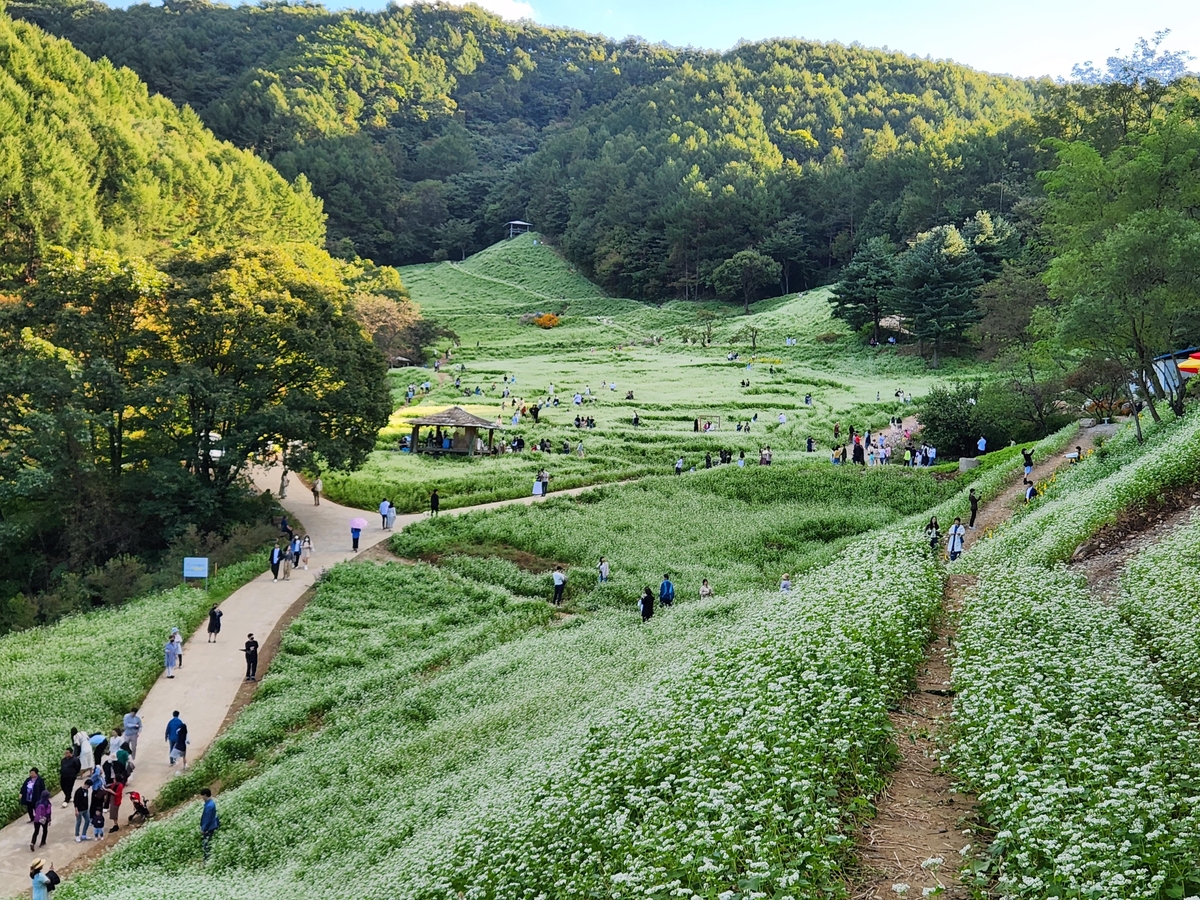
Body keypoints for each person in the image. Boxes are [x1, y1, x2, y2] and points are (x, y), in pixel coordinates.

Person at [199, 788, 219, 862]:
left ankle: (207, 860)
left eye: (202, 796)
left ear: (205, 795)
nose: (202, 798)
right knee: (207, 843)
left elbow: (207, 819)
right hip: (211, 826)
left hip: (209, 828)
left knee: (206, 844)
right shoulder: (210, 803)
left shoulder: (209, 806)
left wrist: (204, 829)